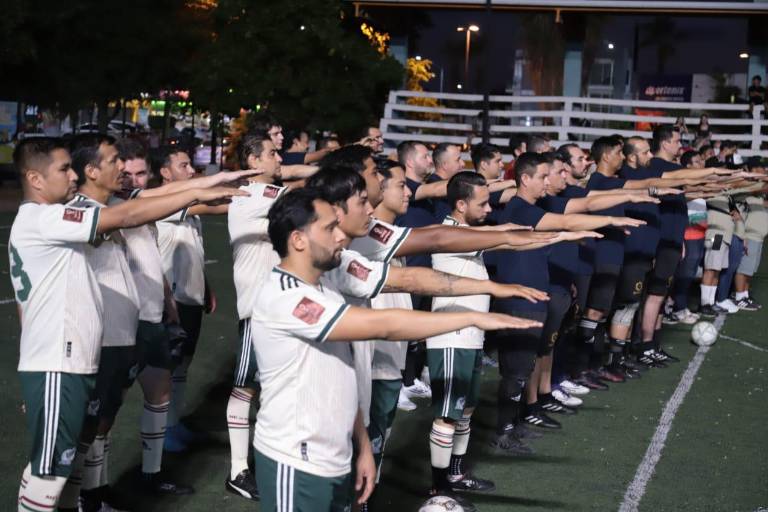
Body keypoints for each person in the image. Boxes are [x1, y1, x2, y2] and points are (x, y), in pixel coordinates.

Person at [249, 188, 541, 512]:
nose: (340, 236)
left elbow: (339, 377)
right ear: (298, 240)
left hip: (334, 454)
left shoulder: (328, 282)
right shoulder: (285, 297)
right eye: (329, 228)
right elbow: (385, 325)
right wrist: (472, 316)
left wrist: (363, 447)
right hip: (295, 460)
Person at [10, 137, 243, 512]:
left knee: (67, 459)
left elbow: (134, 206)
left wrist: (203, 186)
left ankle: (89, 500)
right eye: (64, 169)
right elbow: (127, 215)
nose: (72, 176)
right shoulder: (44, 218)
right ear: (35, 179)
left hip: (72, 358)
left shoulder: (51, 218)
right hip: (58, 360)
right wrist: (197, 190)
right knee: (50, 471)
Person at [492, 151, 642, 446]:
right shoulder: (520, 208)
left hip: (533, 296)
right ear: (525, 179)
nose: (547, 182)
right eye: (542, 177)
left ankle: (516, 422)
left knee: (524, 366)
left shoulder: (532, 207)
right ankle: (504, 431)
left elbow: (565, 223)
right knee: (516, 371)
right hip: (519, 300)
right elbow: (565, 221)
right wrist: (610, 219)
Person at [224, 134, 287, 500]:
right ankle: (238, 470)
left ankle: (264, 462)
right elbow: (299, 203)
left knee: (270, 387)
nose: (279, 158)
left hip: (277, 309)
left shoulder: (267, 195)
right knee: (245, 386)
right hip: (257, 309)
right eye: (272, 153)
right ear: (252, 160)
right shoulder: (250, 194)